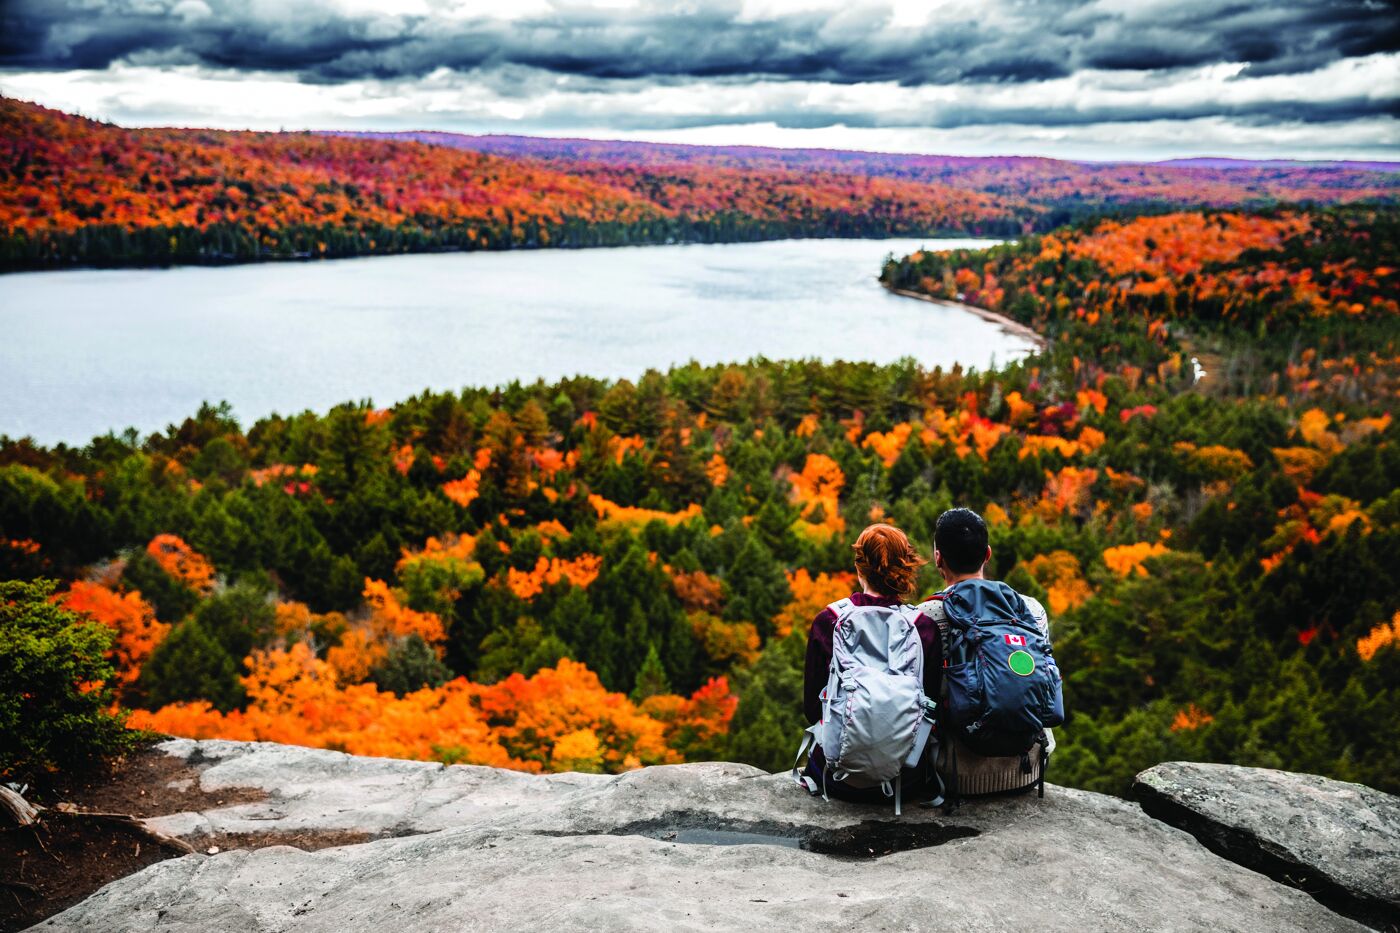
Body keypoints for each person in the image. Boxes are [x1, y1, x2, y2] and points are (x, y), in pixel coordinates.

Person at [918, 507, 1056, 796]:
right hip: (1026, 771)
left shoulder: (926, 616)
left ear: (938, 558)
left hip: (955, 776)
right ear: (988, 554)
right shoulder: (1031, 610)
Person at [800, 523, 942, 803]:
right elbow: (930, 708)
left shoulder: (829, 621)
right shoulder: (923, 627)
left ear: (859, 567)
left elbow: (812, 708)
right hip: (906, 778)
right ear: (905, 568)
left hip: (836, 779)